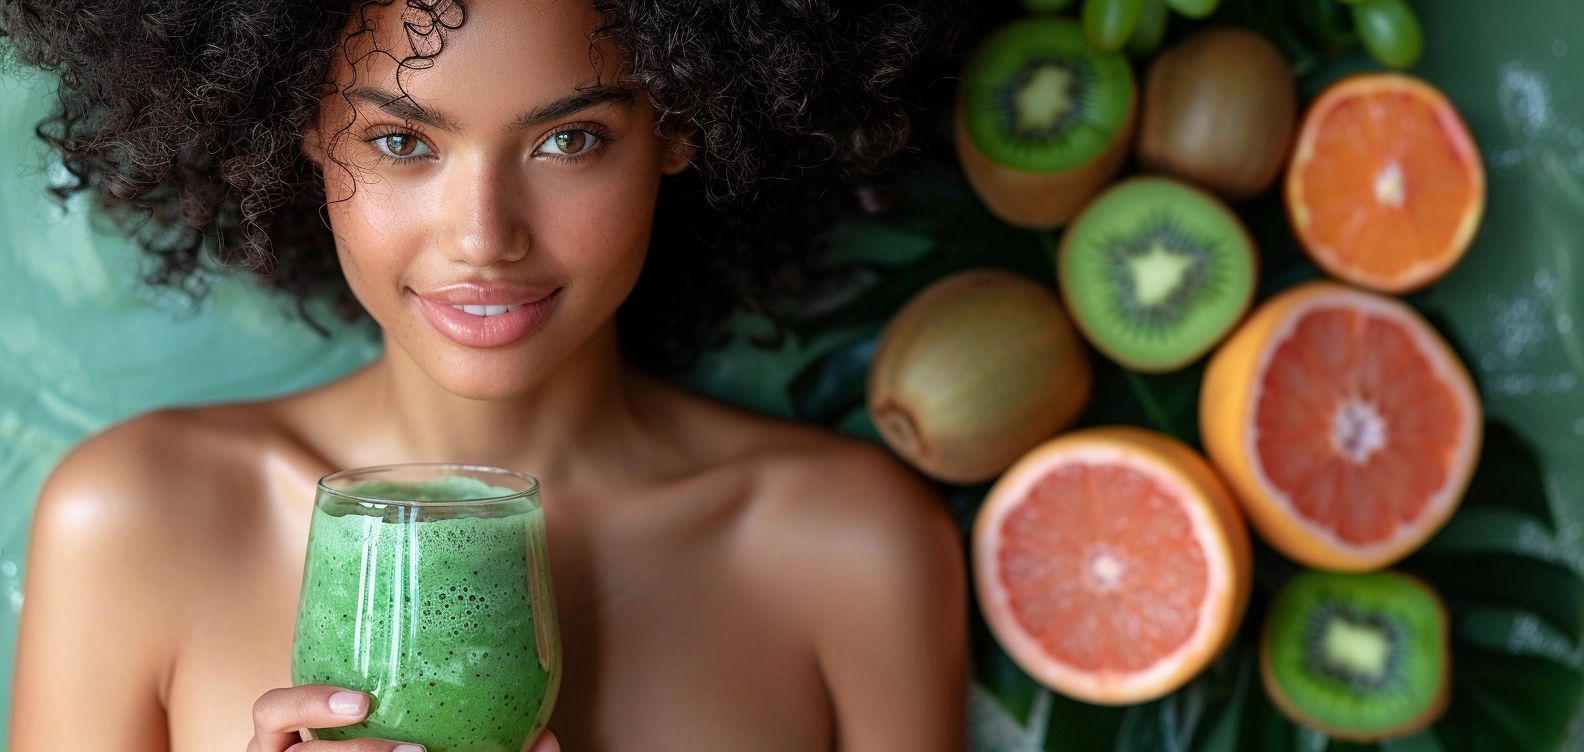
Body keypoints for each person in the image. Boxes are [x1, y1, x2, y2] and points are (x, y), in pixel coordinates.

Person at [0, 0, 967, 749]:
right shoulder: (134, 524)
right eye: (401, 141)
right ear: (300, 130)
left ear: (682, 128)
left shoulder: (853, 553)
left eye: (568, 139)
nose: (484, 238)